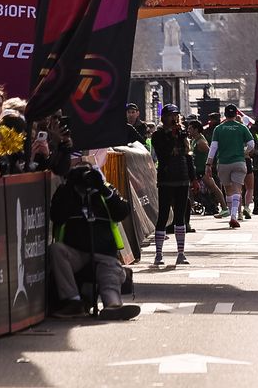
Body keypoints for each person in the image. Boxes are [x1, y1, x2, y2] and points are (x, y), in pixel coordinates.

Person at [48, 158, 141, 320]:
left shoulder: (104, 191)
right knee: (56, 250)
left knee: (109, 275)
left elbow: (122, 211)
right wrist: (71, 186)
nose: (85, 178)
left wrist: (102, 188)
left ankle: (113, 306)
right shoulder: (66, 192)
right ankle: (73, 302)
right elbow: (57, 215)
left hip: (105, 254)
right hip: (75, 253)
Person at [150, 108, 197, 267]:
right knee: (163, 215)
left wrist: (193, 178)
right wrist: (172, 135)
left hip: (182, 179)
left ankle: (181, 253)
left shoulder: (182, 135)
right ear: (164, 118)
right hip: (166, 179)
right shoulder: (158, 135)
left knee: (180, 216)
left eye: (176, 116)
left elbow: (188, 157)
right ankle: (158, 254)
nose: (174, 119)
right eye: (171, 116)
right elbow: (163, 155)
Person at [207, 105, 254, 228]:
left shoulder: (219, 129)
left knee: (228, 190)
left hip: (223, 163)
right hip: (239, 162)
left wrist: (208, 163)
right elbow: (251, 144)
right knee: (238, 189)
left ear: (225, 114)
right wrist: (245, 152)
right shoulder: (242, 127)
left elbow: (213, 148)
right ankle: (234, 216)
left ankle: (231, 214)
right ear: (235, 115)